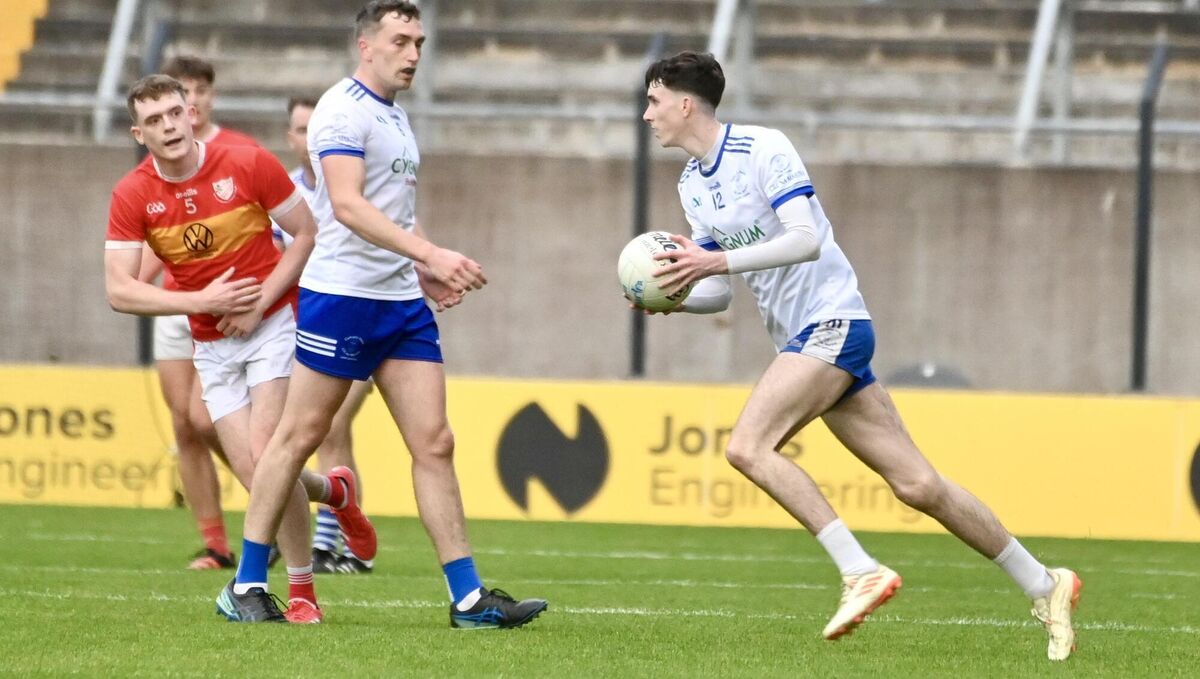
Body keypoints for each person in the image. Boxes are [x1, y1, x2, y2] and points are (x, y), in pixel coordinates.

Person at [638, 51, 1081, 661]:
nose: (647, 115)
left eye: (654, 101)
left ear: (685, 104)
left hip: (834, 322)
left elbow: (805, 238)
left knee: (746, 447)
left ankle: (859, 570)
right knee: (918, 485)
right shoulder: (692, 184)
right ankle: (1044, 581)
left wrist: (712, 261)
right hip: (806, 340)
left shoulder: (762, 149)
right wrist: (676, 298)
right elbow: (718, 291)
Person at [223, 1, 547, 628]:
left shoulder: (394, 117)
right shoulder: (340, 111)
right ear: (365, 45)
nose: (413, 53)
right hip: (342, 297)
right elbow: (344, 205)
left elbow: (390, 212)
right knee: (298, 439)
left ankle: (470, 599)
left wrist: (420, 265)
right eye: (401, 40)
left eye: (419, 41)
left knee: (436, 442)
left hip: (399, 300)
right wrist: (430, 252)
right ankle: (243, 584)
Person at [104, 74, 377, 624]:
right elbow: (118, 289)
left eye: (174, 113)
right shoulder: (132, 193)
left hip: (273, 325)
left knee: (267, 454)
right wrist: (201, 298)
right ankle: (334, 491)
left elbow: (305, 232)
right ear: (140, 132)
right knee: (260, 472)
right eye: (154, 121)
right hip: (211, 344)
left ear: (192, 112)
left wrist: (258, 303)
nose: (169, 126)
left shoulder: (247, 162)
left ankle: (302, 592)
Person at [140, 55, 261, 570]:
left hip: (228, 304)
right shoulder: (151, 164)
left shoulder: (239, 151)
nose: (186, 104)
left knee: (206, 416)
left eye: (197, 92)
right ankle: (215, 542)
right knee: (184, 425)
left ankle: (272, 506)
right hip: (176, 303)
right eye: (178, 92)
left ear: (207, 99)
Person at [277, 95, 376, 575]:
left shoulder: (359, 189)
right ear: (291, 138)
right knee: (296, 433)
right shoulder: (284, 197)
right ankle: (319, 536)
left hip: (357, 325)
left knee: (332, 427)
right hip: (300, 333)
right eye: (299, 129)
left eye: (316, 126)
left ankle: (330, 545)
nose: (308, 136)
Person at [162, 55, 260, 147]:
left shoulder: (244, 148)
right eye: (184, 92)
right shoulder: (160, 156)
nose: (193, 100)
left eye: (201, 91)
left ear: (212, 96)